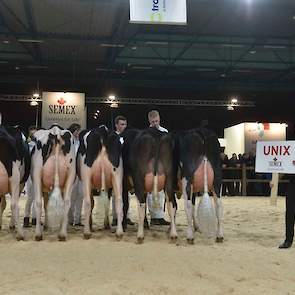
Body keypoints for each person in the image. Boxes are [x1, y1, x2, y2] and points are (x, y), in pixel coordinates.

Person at [146, 110, 170, 226]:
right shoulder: (146, 133)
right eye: (153, 121)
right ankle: (152, 216)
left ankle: (159, 216)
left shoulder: (165, 131)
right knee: (150, 191)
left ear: (159, 119)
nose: (155, 123)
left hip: (162, 165)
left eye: (156, 120)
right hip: (149, 165)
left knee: (160, 192)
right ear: (149, 120)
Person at [111, 115, 134, 227]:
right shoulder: (113, 136)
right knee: (116, 194)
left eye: (125, 124)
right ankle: (115, 217)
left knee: (125, 195)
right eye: (121, 124)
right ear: (116, 125)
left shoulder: (128, 137)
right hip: (115, 168)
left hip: (126, 168)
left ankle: (126, 216)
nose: (123, 126)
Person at [279, 123, 295, 249]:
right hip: (292, 184)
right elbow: (283, 167)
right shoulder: (290, 148)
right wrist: (276, 178)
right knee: (289, 212)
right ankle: (288, 240)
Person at [68, 123, 84, 226]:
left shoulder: (81, 143)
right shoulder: (69, 143)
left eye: (79, 131)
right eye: (76, 131)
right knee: (71, 196)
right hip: (72, 173)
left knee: (81, 195)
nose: (78, 133)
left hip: (81, 172)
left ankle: (78, 220)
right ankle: (70, 219)